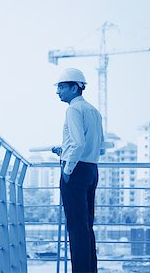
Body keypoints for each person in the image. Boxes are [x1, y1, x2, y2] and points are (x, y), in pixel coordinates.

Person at [52, 68, 104, 273]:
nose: (58, 92)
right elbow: (97, 144)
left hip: (76, 171)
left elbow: (79, 143)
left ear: (75, 88)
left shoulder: (73, 110)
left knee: (75, 228)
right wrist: (64, 150)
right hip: (91, 169)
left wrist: (67, 169)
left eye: (62, 87)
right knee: (86, 226)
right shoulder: (94, 111)